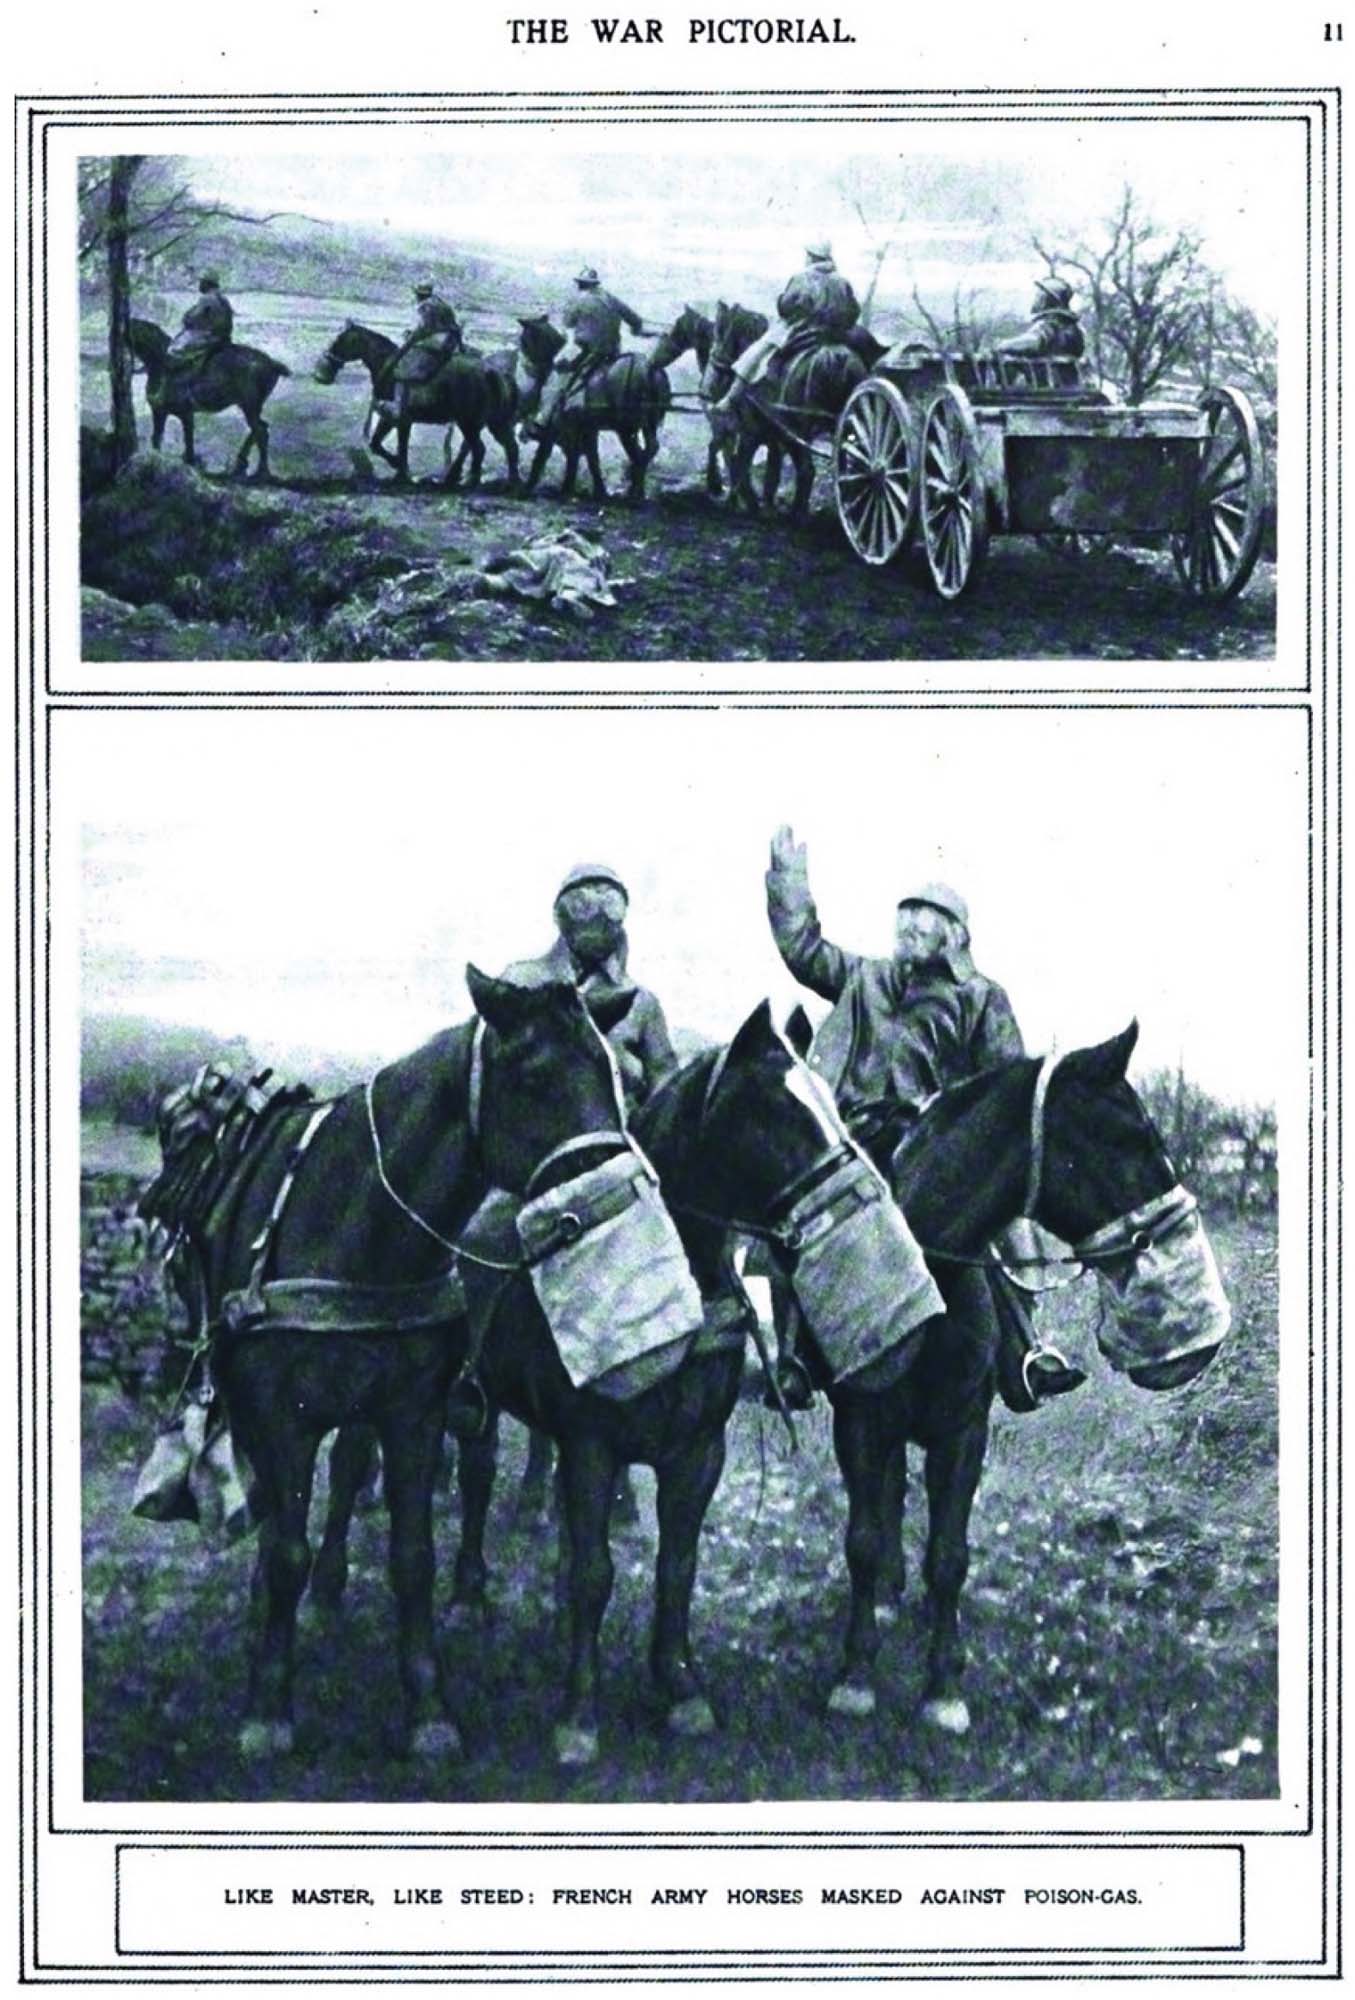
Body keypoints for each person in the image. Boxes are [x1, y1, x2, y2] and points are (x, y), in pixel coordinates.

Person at [764, 824, 1086, 1412]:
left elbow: (1003, 1088)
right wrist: (788, 887)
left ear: (954, 935)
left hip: (933, 1140)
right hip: (852, 1133)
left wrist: (961, 1130)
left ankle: (1026, 1354)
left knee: (977, 1227)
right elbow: (804, 950)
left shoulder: (983, 998)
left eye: (922, 920)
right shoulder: (865, 976)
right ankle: (794, 1360)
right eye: (903, 917)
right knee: (795, 1215)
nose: (907, 928)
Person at [501, 863, 678, 1109]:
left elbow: (665, 1087)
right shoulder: (523, 980)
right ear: (560, 915)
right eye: (581, 903)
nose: (596, 914)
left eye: (610, 902)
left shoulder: (640, 1001)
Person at [713, 241, 861, 415]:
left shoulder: (802, 277)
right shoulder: (842, 281)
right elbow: (854, 311)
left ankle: (731, 399)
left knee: (757, 351)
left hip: (803, 332)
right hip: (835, 336)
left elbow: (785, 307)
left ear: (811, 257)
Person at [526, 266, 646, 437]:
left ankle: (542, 419)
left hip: (589, 351)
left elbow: (567, 325)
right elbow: (635, 320)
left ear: (581, 284)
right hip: (613, 352)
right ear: (595, 284)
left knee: (559, 375)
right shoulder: (609, 297)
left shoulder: (577, 300)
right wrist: (636, 329)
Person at [391, 279, 463, 418]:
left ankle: (399, 407)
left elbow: (424, 329)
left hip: (440, 342)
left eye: (417, 294)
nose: (416, 297)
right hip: (450, 340)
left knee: (403, 368)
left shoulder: (426, 306)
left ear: (419, 295)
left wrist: (410, 337)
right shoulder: (439, 303)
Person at [164, 272, 234, 381]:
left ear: (207, 284)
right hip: (224, 336)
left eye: (201, 282)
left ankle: (187, 377)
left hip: (211, 336)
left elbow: (194, 317)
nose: (199, 285)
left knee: (174, 349)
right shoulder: (223, 298)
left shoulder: (206, 298)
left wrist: (187, 318)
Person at [998, 274, 1085, 361]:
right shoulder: (1075, 327)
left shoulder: (1051, 323)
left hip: (1047, 373)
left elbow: (1034, 341)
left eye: (1038, 295)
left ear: (1046, 299)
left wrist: (1003, 345)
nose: (1035, 299)